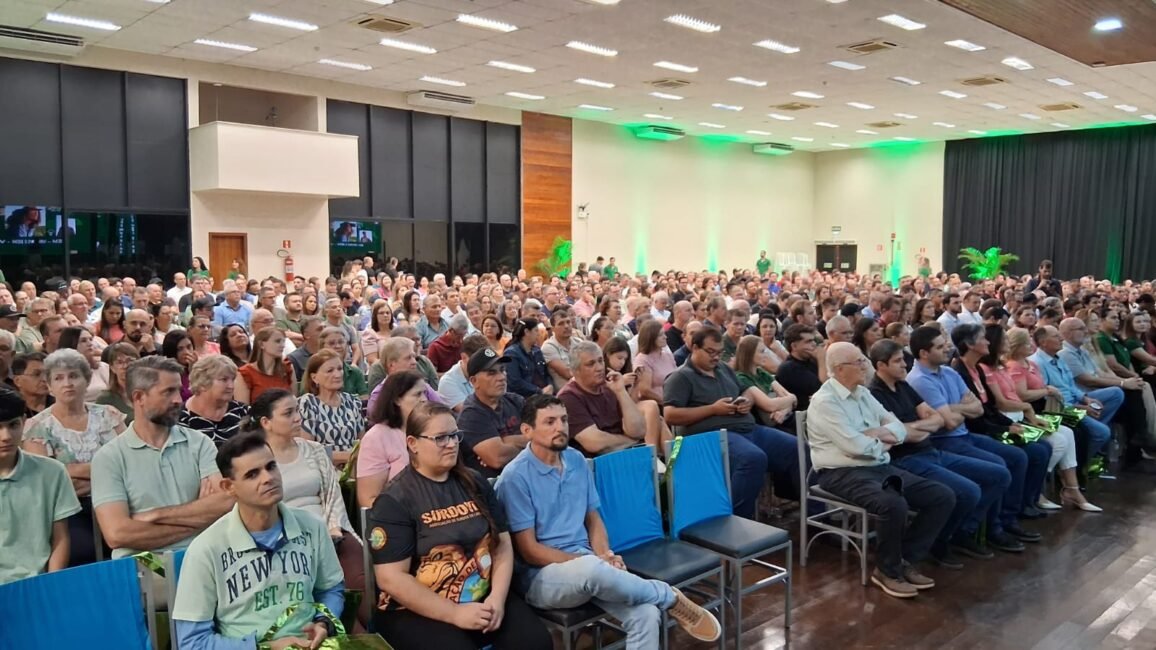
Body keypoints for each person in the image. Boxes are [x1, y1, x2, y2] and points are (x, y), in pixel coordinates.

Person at [497, 394, 721, 645]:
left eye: (564, 420)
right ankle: (668, 595)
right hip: (542, 578)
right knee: (592, 569)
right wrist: (592, 562)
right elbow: (530, 551)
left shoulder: (576, 459)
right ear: (527, 430)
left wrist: (605, 555)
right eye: (550, 422)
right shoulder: (515, 477)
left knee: (646, 614)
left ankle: (652, 595)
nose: (560, 427)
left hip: (590, 567)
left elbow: (593, 518)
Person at [366, 401, 553, 650]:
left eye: (455, 435)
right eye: (441, 438)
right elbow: (391, 579)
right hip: (415, 609)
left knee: (536, 642)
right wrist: (454, 613)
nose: (452, 444)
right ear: (413, 443)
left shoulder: (474, 482)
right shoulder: (394, 500)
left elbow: (502, 544)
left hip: (482, 593)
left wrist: (497, 598)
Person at [807, 342, 956, 598]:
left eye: (863, 360)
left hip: (876, 465)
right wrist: (884, 441)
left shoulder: (862, 393)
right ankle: (887, 571)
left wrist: (877, 435)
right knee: (893, 503)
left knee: (941, 496)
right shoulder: (825, 402)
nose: (865, 365)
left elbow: (897, 426)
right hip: (840, 472)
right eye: (859, 362)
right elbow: (855, 446)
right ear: (840, 369)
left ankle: (904, 559)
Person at [171, 432, 345, 650]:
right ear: (228, 487)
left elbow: (331, 589)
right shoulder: (206, 549)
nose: (268, 478)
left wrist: (324, 622)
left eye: (271, 466)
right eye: (252, 474)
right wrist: (265, 648)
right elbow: (192, 642)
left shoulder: (312, 527)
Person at [906, 326, 1036, 552]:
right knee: (998, 469)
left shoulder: (949, 372)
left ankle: (1006, 519)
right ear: (924, 353)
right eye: (940, 346)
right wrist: (960, 410)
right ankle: (975, 529)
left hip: (964, 435)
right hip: (943, 441)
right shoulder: (919, 380)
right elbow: (949, 423)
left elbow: (978, 408)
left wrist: (952, 409)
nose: (947, 349)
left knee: (1017, 457)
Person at [91, 356, 234, 559]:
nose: (178, 400)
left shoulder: (199, 442)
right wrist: (200, 516)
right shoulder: (109, 458)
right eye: (168, 392)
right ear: (139, 397)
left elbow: (226, 502)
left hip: (200, 554)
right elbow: (118, 534)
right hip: (146, 560)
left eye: (178, 390)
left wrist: (157, 515)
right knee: (158, 575)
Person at [245, 388, 366, 626]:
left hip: (330, 533)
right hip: (286, 539)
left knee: (359, 583)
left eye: (297, 411)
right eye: (288, 413)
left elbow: (332, 496)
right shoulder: (256, 461)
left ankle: (375, 629)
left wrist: (333, 529)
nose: (297, 418)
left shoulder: (315, 450)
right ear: (266, 422)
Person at [663, 328, 801, 519]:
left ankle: (812, 513)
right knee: (752, 458)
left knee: (798, 448)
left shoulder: (724, 369)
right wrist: (713, 409)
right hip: (712, 436)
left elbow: (746, 391)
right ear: (695, 348)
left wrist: (746, 402)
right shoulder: (680, 377)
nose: (716, 357)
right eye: (711, 352)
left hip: (747, 428)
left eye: (720, 352)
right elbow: (670, 415)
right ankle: (735, 519)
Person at [21, 349, 127, 566]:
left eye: (74, 376)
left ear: (86, 380)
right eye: (58, 378)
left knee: (134, 547)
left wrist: (72, 471)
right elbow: (47, 480)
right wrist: (108, 473)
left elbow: (130, 462)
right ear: (49, 386)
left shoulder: (109, 414)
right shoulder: (37, 426)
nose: (67, 383)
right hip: (69, 510)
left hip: (120, 500)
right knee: (83, 553)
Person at [950, 324, 1053, 521]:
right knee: (1023, 455)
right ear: (970, 344)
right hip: (977, 431)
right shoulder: (960, 372)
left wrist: (1008, 424)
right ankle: (1008, 516)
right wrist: (1004, 428)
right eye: (983, 338)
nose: (987, 342)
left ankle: (1027, 502)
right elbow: (974, 416)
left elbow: (988, 408)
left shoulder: (976, 369)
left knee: (1043, 447)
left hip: (990, 424)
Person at [0, 389, 81, 585]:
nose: (6, 436)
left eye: (13, 425)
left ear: (24, 422)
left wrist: (50, 585)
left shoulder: (52, 472)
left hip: (38, 583)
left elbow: (60, 538)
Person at [357, 370, 426, 508]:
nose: (424, 399)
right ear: (397, 399)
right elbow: (368, 498)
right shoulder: (376, 438)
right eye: (417, 394)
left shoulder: (431, 429)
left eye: (425, 393)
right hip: (400, 513)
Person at [458, 348, 526, 479]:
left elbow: (543, 435)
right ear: (474, 381)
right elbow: (498, 458)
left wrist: (506, 441)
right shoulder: (471, 414)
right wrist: (531, 443)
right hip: (495, 484)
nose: (501, 377)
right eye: (491, 373)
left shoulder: (516, 400)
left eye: (502, 370)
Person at [298, 349, 365, 467]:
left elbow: (362, 442)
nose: (337, 374)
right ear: (314, 378)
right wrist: (348, 456)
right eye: (330, 371)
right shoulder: (308, 404)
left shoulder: (352, 401)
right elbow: (308, 451)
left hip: (355, 467)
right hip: (323, 468)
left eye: (339, 369)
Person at [180, 355, 249, 447]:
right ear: (203, 382)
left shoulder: (243, 411)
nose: (231, 386)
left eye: (232, 379)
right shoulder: (180, 420)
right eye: (224, 379)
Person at [733, 336, 797, 427]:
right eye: (762, 352)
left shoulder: (761, 373)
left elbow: (790, 399)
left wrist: (783, 412)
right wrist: (792, 397)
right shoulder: (742, 377)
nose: (765, 355)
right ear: (750, 354)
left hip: (780, 419)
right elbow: (770, 405)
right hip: (761, 424)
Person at [235, 327, 294, 405]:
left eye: (283, 341)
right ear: (261, 344)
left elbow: (294, 399)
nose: (282, 345)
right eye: (277, 341)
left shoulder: (287, 368)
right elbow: (242, 408)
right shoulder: (245, 373)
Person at [775, 324, 825, 412]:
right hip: (803, 415)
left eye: (813, 340)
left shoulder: (812, 361)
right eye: (808, 342)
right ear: (794, 346)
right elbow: (823, 389)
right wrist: (822, 359)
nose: (814, 344)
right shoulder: (788, 368)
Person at [438, 334, 489, 412]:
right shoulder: (447, 382)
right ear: (464, 357)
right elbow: (470, 412)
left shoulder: (487, 372)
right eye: (479, 360)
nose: (484, 364)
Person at [59, 326, 110, 400]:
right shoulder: (61, 372)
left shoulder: (103, 367)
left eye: (91, 339)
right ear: (71, 345)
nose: (90, 344)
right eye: (83, 341)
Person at [504, 318, 551, 397]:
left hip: (543, 394)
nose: (538, 334)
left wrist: (550, 385)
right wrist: (538, 391)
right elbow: (515, 382)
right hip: (524, 397)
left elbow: (546, 373)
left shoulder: (537, 351)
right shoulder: (511, 353)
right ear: (526, 332)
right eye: (536, 331)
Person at [633, 318, 677, 402]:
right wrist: (666, 402)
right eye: (660, 335)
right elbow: (645, 390)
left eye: (664, 334)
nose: (665, 337)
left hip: (674, 399)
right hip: (657, 404)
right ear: (650, 338)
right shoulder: (642, 359)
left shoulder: (668, 356)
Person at [94, 343, 139, 421]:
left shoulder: (148, 393)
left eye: (130, 361)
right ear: (112, 368)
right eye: (120, 362)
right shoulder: (105, 399)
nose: (125, 366)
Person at [542, 309, 578, 393]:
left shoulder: (579, 342)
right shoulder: (548, 347)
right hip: (566, 394)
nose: (566, 326)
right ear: (553, 328)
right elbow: (568, 373)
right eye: (561, 323)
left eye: (568, 322)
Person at [11, 351, 53, 418]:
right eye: (36, 374)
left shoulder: (60, 405)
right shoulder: (10, 409)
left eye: (47, 374)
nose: (45, 379)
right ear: (17, 381)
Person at [361, 299, 395, 366]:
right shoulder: (369, 334)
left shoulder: (397, 330)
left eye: (388, 313)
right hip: (379, 369)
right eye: (381, 313)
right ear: (375, 316)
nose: (385, 315)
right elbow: (372, 360)